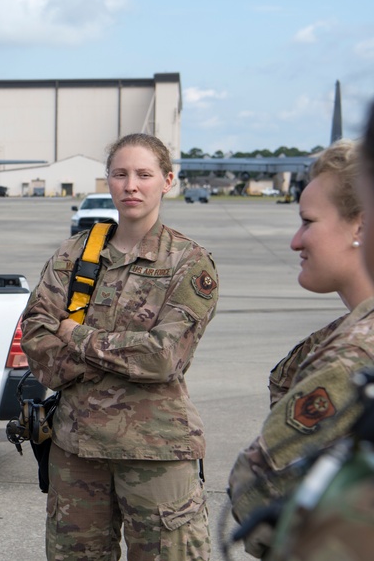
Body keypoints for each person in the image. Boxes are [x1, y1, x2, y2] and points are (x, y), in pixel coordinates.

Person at [20, 133, 218, 560]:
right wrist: (118, 358)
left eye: (144, 174)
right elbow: (36, 339)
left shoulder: (188, 262)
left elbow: (163, 357)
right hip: (76, 451)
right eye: (120, 174)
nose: (131, 185)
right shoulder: (75, 254)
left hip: (156, 453)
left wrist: (77, 336)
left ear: (167, 181)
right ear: (108, 181)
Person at [228, 140, 374, 558]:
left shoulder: (354, 354)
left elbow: (256, 487)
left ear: (360, 227)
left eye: (308, 221)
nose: (295, 241)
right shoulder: (340, 336)